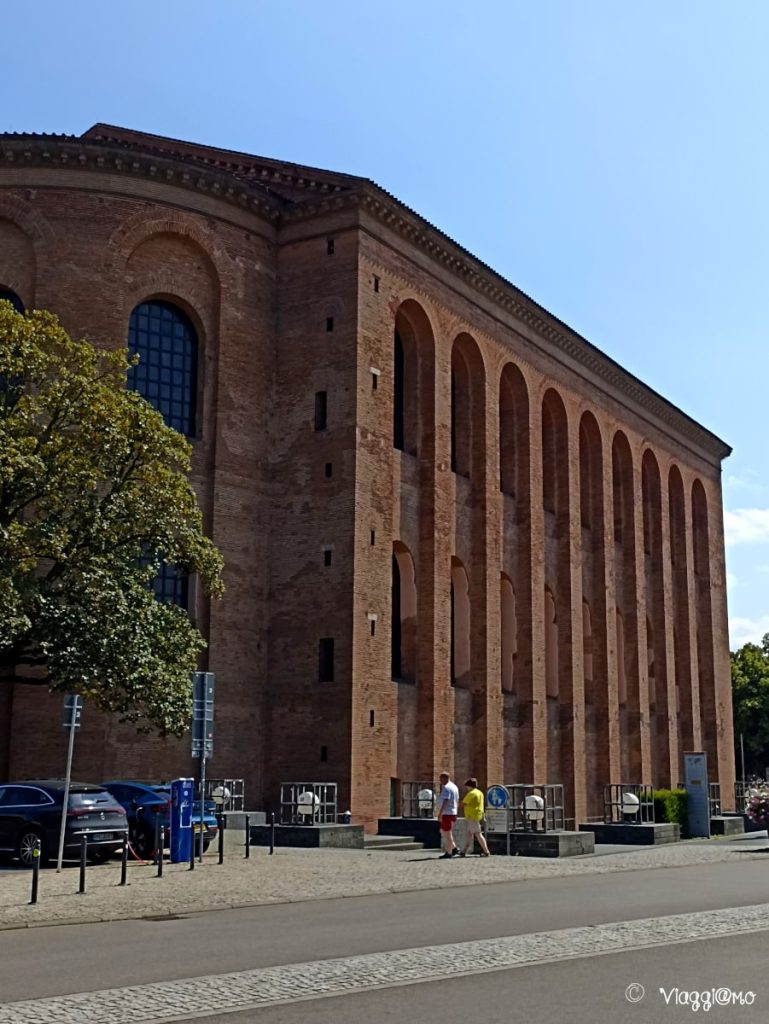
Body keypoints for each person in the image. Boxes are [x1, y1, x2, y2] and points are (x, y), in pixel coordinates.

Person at [460, 778, 490, 857]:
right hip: (477, 814)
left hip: (472, 815)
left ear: (469, 786)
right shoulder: (480, 793)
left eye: (467, 786)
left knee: (478, 833)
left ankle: (486, 851)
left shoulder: (471, 793)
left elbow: (463, 803)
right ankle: (464, 851)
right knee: (469, 834)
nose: (466, 788)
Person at [436, 771, 460, 858]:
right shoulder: (454, 787)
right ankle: (454, 848)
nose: (440, 781)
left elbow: (446, 801)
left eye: (441, 779)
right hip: (452, 812)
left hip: (447, 813)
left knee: (447, 833)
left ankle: (449, 852)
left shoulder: (446, 788)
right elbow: (457, 800)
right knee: (443, 831)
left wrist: (440, 813)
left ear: (445, 778)